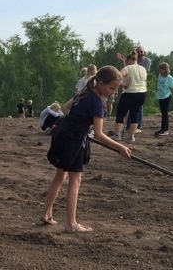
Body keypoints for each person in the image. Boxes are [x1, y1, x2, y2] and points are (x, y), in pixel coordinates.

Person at [41, 65, 131, 232]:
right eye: (112, 88)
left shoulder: (84, 92)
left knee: (60, 176)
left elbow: (66, 109)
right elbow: (99, 134)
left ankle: (47, 214)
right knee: (75, 181)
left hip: (63, 134)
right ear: (101, 84)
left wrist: (79, 122)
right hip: (74, 141)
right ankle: (71, 224)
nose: (113, 92)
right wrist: (120, 147)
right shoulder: (97, 103)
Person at [111, 51, 147, 142]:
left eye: (127, 61)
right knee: (134, 114)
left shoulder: (128, 68)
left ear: (130, 60)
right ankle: (132, 136)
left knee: (120, 114)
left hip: (129, 93)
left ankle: (118, 134)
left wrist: (122, 84)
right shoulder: (142, 69)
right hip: (141, 93)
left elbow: (118, 75)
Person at [126, 45, 151, 132]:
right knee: (131, 106)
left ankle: (138, 124)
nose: (140, 53)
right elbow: (126, 69)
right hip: (131, 85)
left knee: (139, 107)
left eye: (142, 52)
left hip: (140, 86)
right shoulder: (132, 61)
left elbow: (144, 73)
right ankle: (129, 124)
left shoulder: (147, 61)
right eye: (139, 52)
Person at [154, 62, 173, 136]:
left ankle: (165, 129)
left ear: (165, 70)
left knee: (165, 113)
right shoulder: (160, 76)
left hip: (166, 96)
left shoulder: (168, 77)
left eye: (161, 69)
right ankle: (163, 128)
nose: (160, 70)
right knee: (163, 112)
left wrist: (171, 90)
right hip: (161, 95)